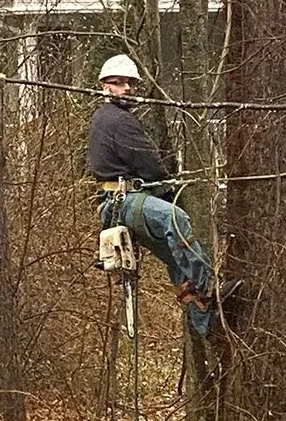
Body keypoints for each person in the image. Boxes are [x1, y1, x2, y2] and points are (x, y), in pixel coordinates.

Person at [87, 53, 216, 337]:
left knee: (175, 256)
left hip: (117, 203)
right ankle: (206, 287)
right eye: (119, 83)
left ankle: (205, 322)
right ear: (105, 87)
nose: (127, 89)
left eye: (130, 84)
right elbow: (148, 164)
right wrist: (166, 185)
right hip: (123, 201)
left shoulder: (103, 117)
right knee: (176, 219)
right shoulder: (118, 120)